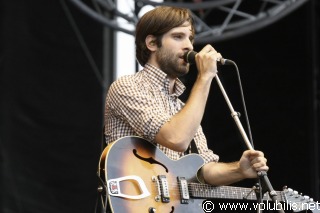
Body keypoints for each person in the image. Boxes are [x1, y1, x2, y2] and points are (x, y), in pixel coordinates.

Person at [104, 6, 268, 187]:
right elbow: (176, 139)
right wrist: (205, 77)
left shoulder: (183, 108)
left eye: (190, 38)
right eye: (178, 36)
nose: (189, 46)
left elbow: (203, 169)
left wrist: (238, 170)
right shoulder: (127, 87)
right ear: (152, 43)